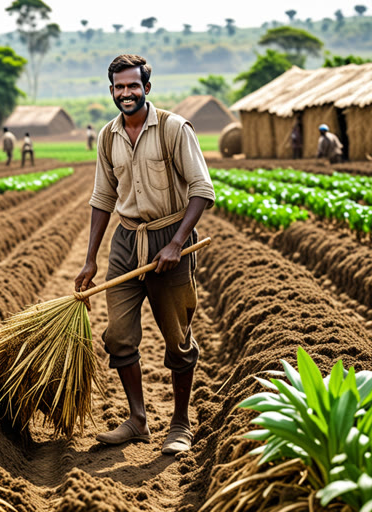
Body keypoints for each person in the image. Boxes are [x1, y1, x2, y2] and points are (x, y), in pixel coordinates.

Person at [74, 54, 215, 455]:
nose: (126, 93)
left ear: (147, 88)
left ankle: (181, 423)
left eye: (133, 86)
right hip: (126, 241)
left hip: (170, 236)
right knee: (118, 336)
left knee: (177, 340)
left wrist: (176, 242)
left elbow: (202, 190)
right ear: (112, 91)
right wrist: (90, 259)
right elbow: (102, 198)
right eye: (119, 87)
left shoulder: (174, 129)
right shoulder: (108, 136)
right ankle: (138, 420)